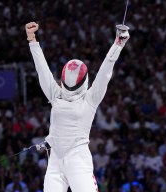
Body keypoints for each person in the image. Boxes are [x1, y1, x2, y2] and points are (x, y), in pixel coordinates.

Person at [25, 21, 130, 192]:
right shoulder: (56, 94)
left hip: (78, 162)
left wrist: (118, 44)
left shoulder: (90, 99)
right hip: (55, 163)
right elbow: (42, 69)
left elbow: (105, 71)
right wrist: (32, 39)